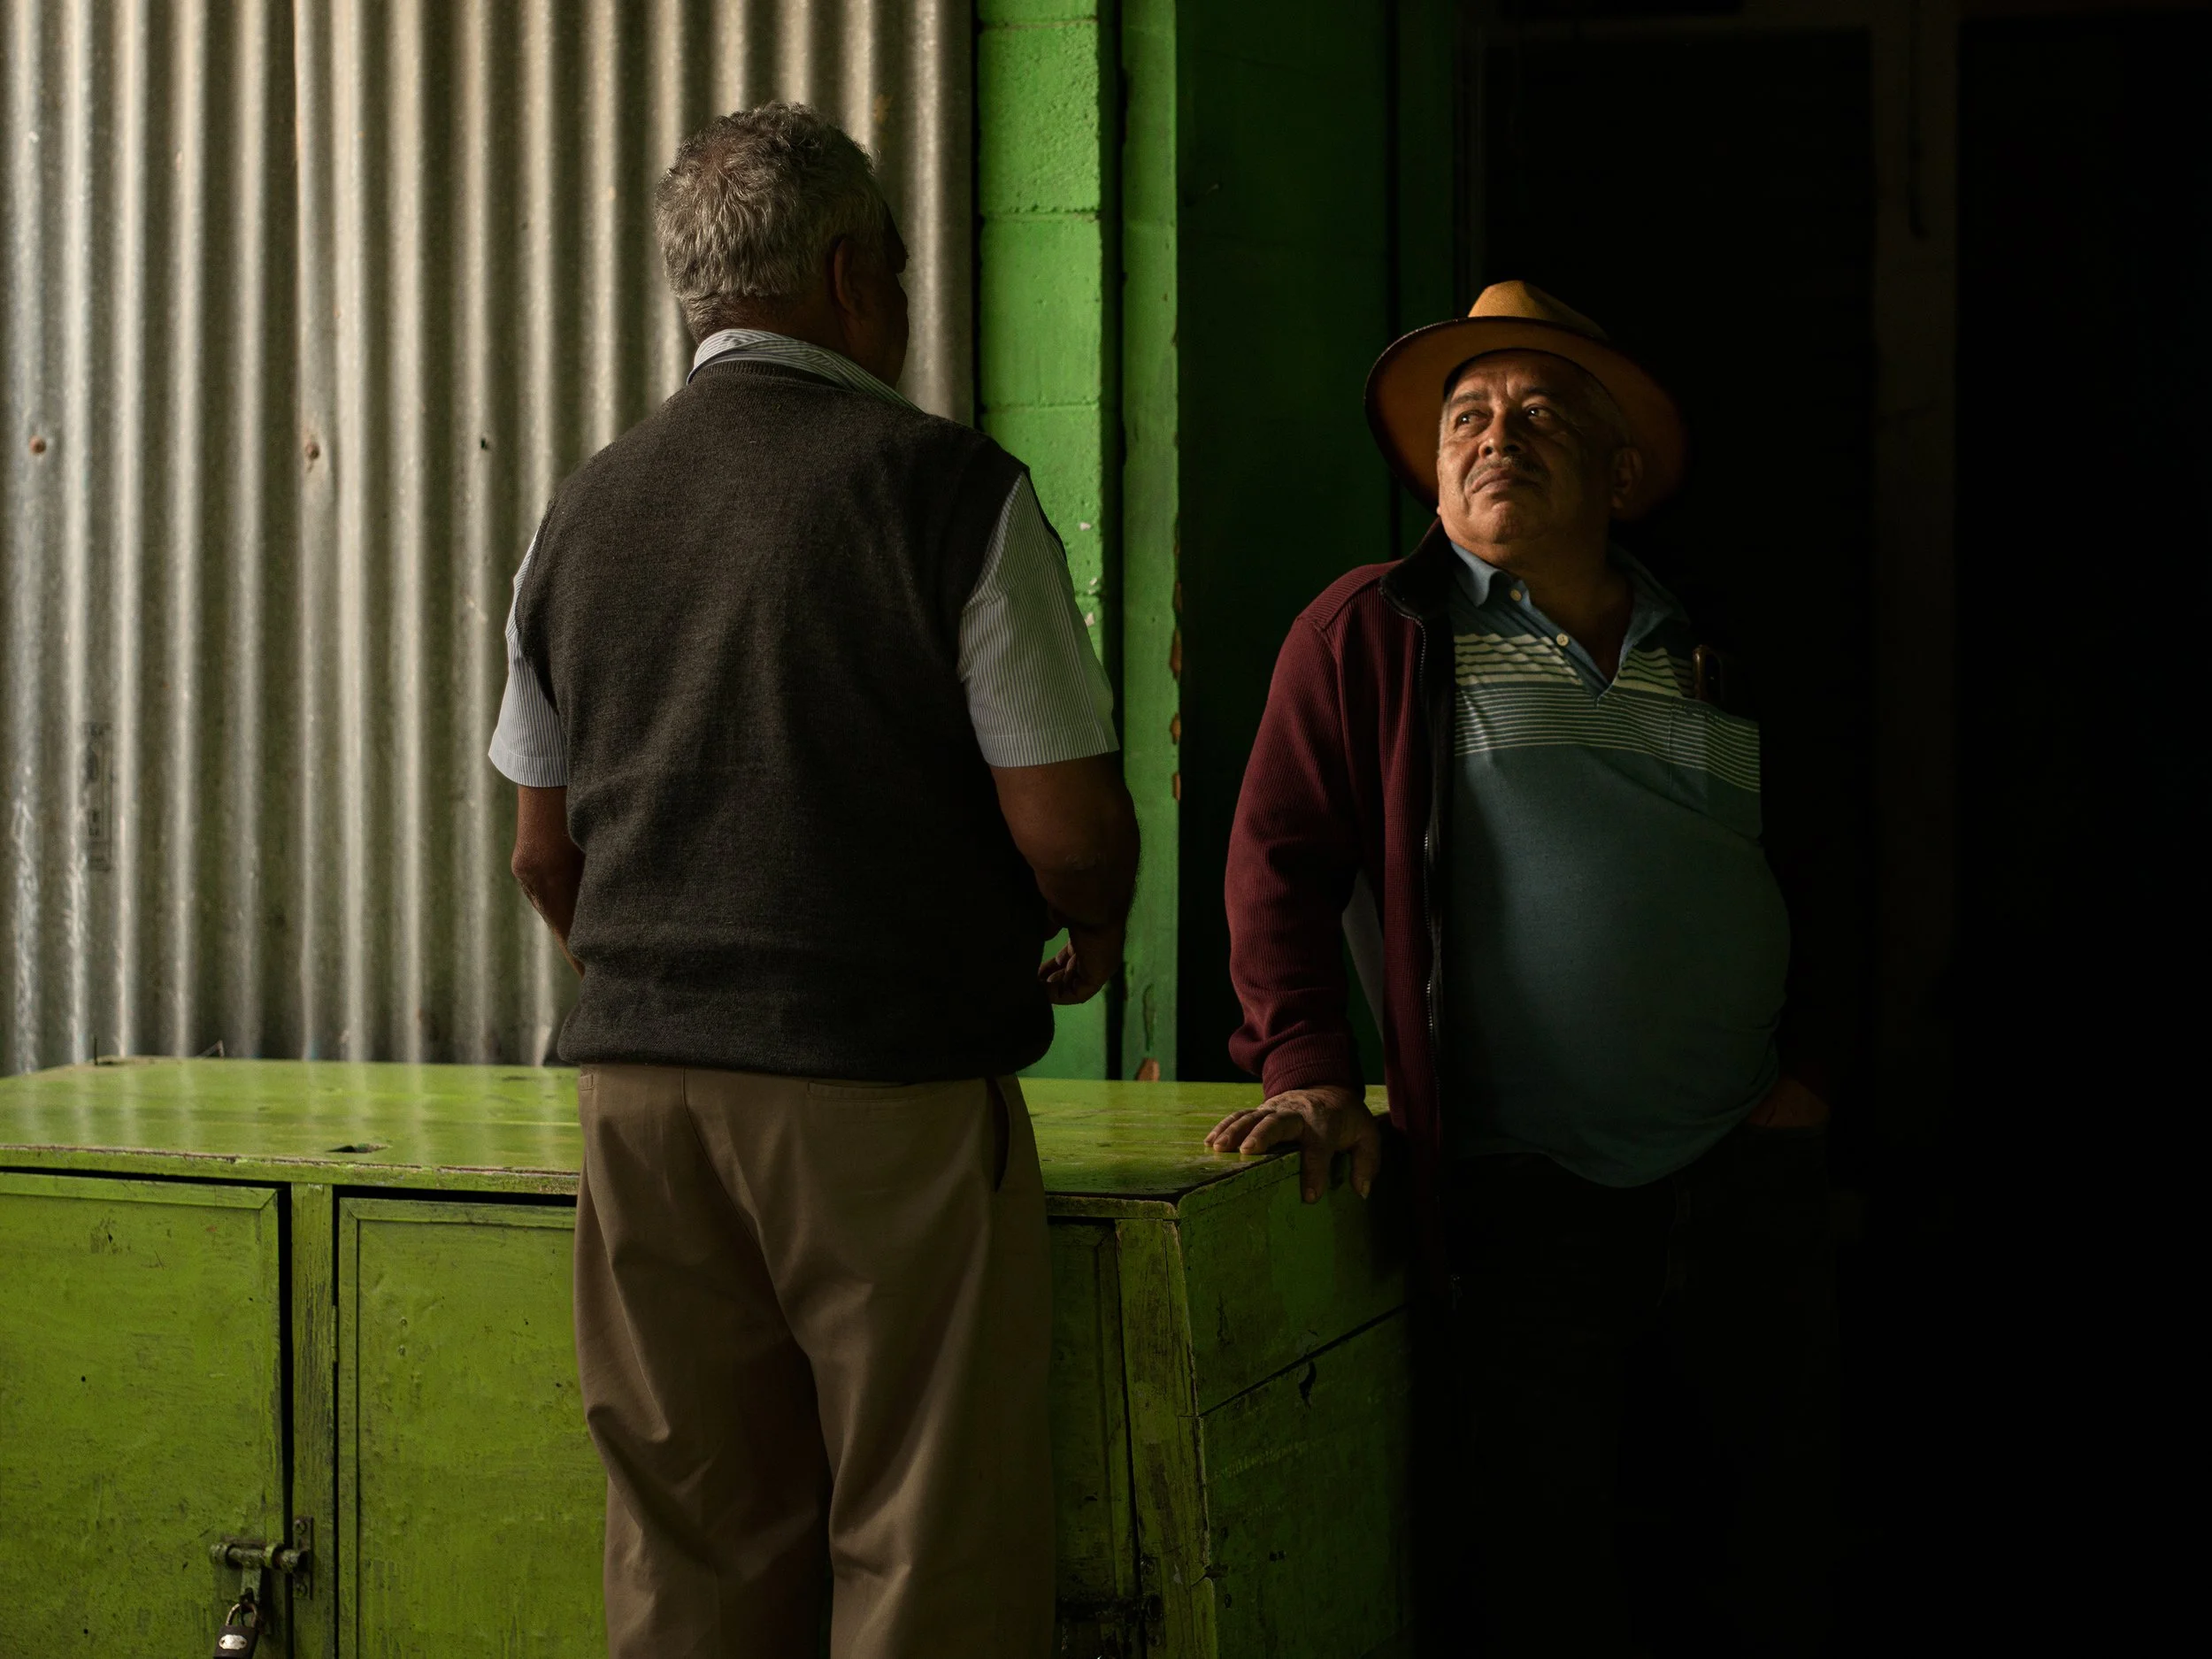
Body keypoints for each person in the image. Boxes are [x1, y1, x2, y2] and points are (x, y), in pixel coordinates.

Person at [488, 103, 1137, 1659]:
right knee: (923, 1537)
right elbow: (1067, 827)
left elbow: (539, 847)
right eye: (900, 271)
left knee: (690, 1536)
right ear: (854, 277)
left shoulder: (580, 510)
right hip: (881, 1087)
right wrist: (1093, 923)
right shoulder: (946, 492)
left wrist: (657, 982)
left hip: (640, 1099)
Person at [1211, 281, 1836, 1655]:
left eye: (1541, 413)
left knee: (1752, 1545)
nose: (1499, 436)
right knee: (1547, 1571)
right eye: (1470, 417)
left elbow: (1825, 857)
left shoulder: (1713, 642)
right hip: (1522, 1198)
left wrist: (1811, 1075)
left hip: (1739, 1171)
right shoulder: (1374, 632)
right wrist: (1309, 1068)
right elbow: (1278, 866)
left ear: (1620, 472)